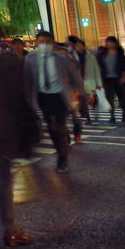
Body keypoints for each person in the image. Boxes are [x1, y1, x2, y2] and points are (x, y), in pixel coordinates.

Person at [0, 37, 40, 246]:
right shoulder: (14, 73)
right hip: (10, 130)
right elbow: (19, 103)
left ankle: (9, 227)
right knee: (5, 177)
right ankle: (11, 229)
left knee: (2, 172)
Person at [24, 30, 81, 173]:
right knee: (51, 127)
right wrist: (28, 99)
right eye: (41, 42)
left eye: (47, 42)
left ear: (53, 43)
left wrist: (80, 93)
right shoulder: (30, 59)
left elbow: (74, 77)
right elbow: (28, 81)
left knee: (59, 126)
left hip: (60, 96)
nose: (44, 45)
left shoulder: (62, 59)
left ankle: (63, 159)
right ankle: (61, 144)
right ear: (36, 43)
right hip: (43, 97)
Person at [72, 38, 102, 130]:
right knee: (83, 101)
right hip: (78, 82)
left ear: (84, 46)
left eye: (80, 45)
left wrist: (99, 83)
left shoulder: (91, 57)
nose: (79, 47)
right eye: (77, 45)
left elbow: (96, 70)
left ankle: (94, 108)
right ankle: (88, 117)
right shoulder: (72, 57)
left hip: (90, 81)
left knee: (90, 99)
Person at [99, 36, 125, 123]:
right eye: (108, 42)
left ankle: (124, 114)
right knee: (109, 98)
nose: (110, 44)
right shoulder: (102, 55)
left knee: (122, 97)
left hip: (119, 79)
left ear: (115, 44)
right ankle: (112, 115)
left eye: (112, 42)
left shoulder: (120, 55)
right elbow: (99, 66)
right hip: (107, 79)